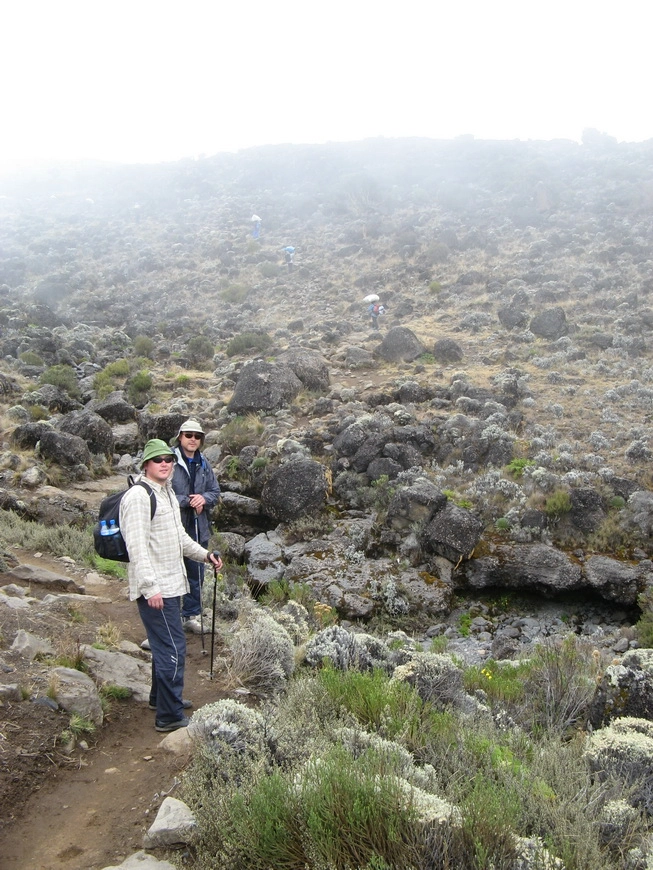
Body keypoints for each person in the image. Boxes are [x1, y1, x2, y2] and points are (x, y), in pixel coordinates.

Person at [120, 439, 222, 732]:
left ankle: (160, 698)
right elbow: (136, 548)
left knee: (166, 648)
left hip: (171, 585)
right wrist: (150, 587)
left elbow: (180, 538)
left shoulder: (165, 492)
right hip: (157, 589)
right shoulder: (139, 497)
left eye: (168, 459)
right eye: (158, 460)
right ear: (146, 465)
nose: (165, 463)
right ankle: (169, 715)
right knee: (174, 650)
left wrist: (205, 555)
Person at [170, 420, 221, 634]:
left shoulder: (203, 463)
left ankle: (190, 616)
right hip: (173, 525)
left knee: (196, 572)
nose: (193, 439)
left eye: (197, 436)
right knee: (171, 572)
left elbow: (215, 492)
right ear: (180, 436)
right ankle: (169, 622)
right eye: (189, 435)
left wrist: (203, 499)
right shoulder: (168, 460)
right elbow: (162, 491)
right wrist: (188, 501)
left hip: (198, 525)